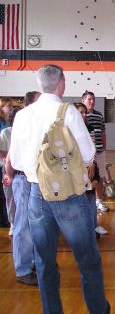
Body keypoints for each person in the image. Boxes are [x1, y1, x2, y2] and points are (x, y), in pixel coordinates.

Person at [9, 64, 110, 313]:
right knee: (87, 259)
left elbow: (17, 160)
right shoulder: (68, 112)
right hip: (68, 196)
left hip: (36, 193)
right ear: (61, 83)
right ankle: (98, 310)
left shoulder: (23, 115)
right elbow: (89, 153)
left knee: (44, 261)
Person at [3, 93, 39, 286]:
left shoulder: (36, 125)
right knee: (23, 226)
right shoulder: (22, 124)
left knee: (35, 225)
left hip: (35, 180)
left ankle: (32, 262)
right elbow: (11, 155)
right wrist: (10, 175)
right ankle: (23, 269)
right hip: (23, 179)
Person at [74, 102, 108, 235]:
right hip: (76, 169)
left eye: (85, 112)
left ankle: (94, 224)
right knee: (78, 199)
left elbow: (92, 147)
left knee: (91, 196)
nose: (84, 115)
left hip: (90, 166)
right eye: (81, 112)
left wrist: (93, 164)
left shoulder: (89, 127)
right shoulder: (69, 130)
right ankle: (79, 227)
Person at [82, 91, 110, 213]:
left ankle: (99, 201)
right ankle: (84, 201)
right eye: (89, 99)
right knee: (86, 177)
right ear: (83, 101)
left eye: (93, 99)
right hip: (85, 155)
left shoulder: (99, 115)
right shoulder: (80, 116)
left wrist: (104, 147)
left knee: (100, 177)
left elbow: (103, 133)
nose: (92, 101)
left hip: (99, 152)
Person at [0, 108, 20, 236]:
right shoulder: (5, 132)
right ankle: (13, 223)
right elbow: (1, 152)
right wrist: (13, 156)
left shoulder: (26, 133)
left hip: (22, 169)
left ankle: (22, 223)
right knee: (10, 198)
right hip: (8, 168)